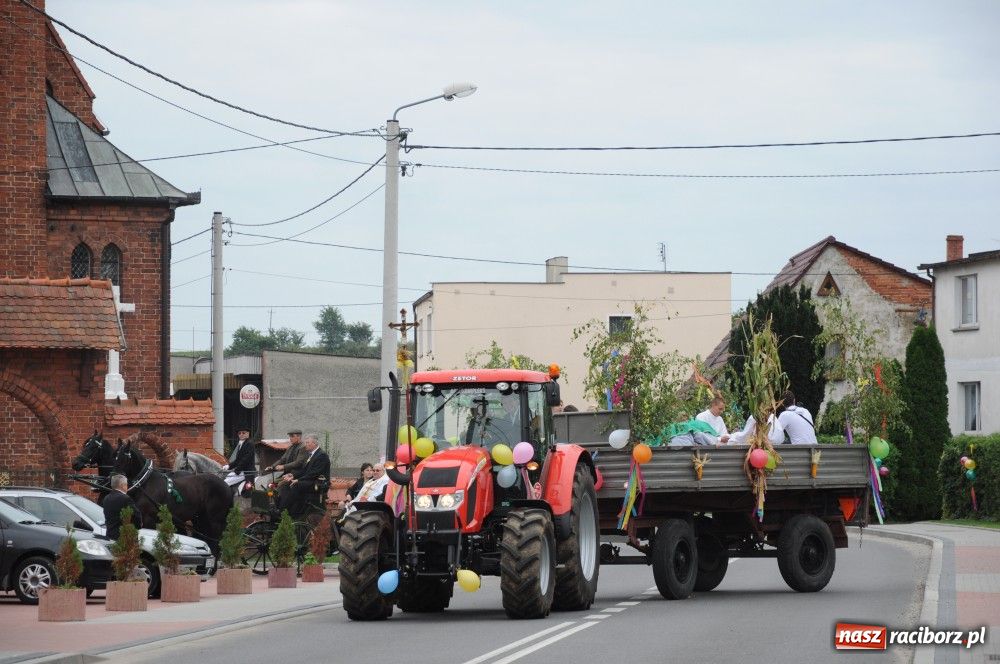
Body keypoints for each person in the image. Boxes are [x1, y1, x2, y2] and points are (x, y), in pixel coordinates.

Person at [280, 433, 331, 516]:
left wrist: (298, 480)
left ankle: (288, 512)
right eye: (305, 442)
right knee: (286, 484)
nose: (305, 445)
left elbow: (314, 473)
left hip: (318, 483)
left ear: (314, 444)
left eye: (307, 443)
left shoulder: (322, 455)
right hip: (310, 481)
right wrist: (292, 475)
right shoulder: (311, 454)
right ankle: (284, 509)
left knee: (295, 485)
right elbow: (305, 470)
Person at [103, 474, 139, 540]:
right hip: (124, 537)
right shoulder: (126, 498)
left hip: (109, 535)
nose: (127, 487)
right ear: (122, 485)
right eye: (126, 484)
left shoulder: (106, 498)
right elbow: (136, 516)